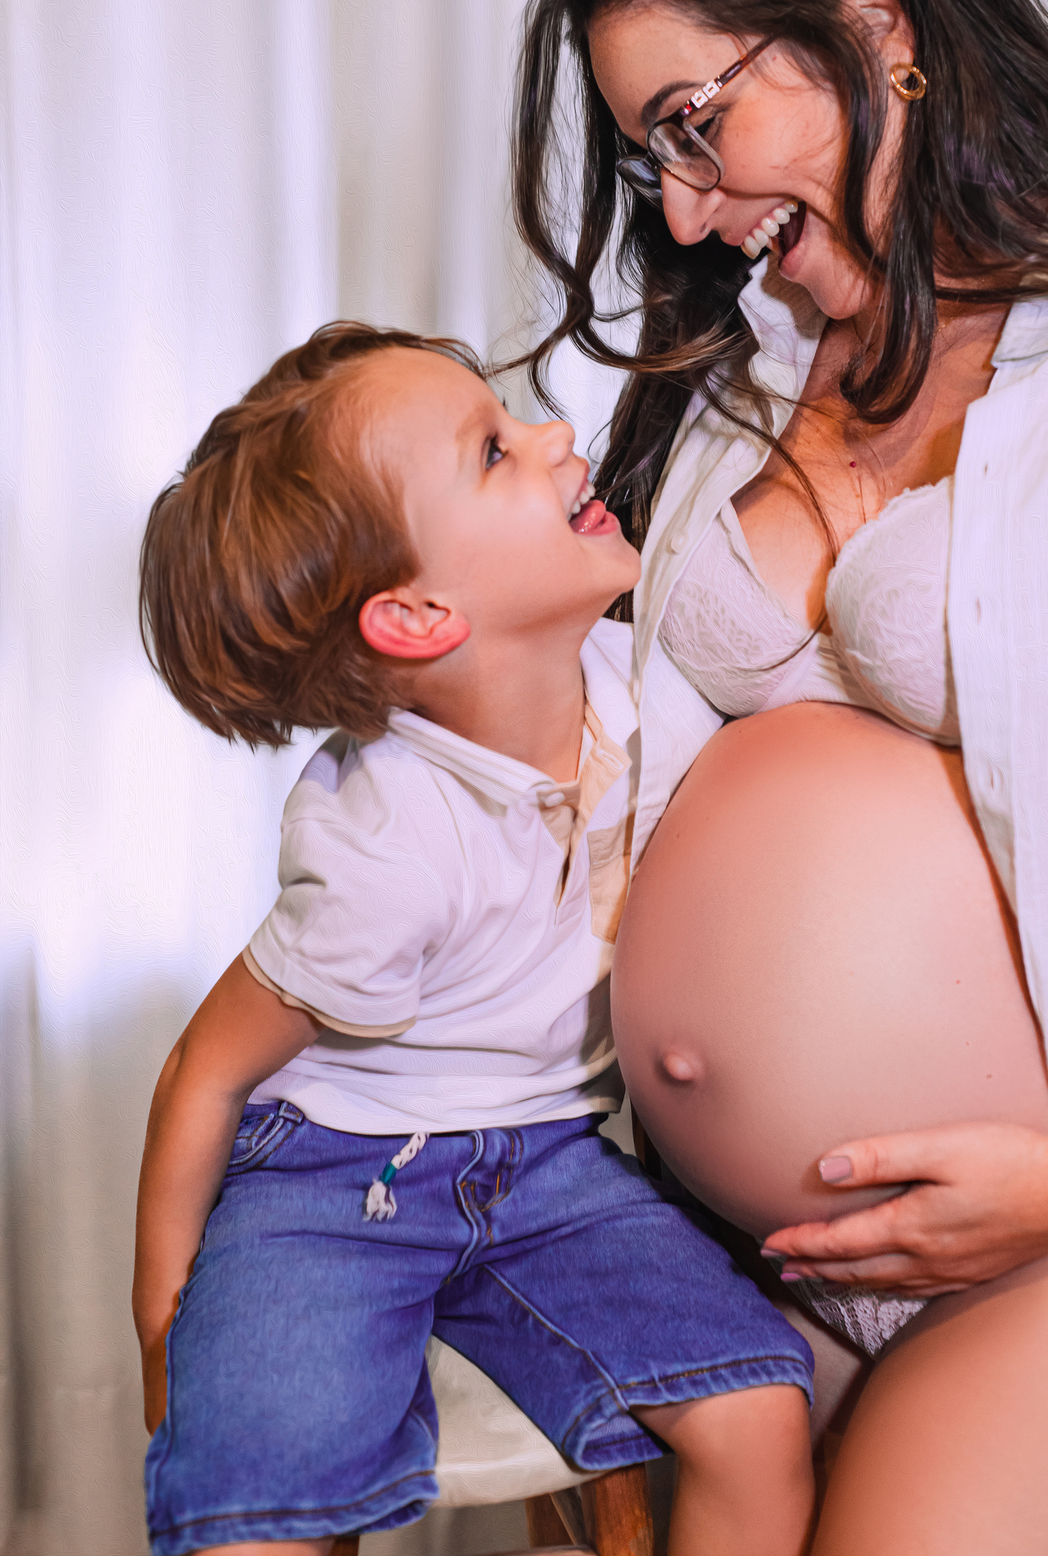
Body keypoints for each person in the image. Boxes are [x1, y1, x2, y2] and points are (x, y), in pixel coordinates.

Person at [511, 0, 1048, 1554]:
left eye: (695, 122)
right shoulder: (722, 391)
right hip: (716, 1253)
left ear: (876, 27)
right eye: (648, 154)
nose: (679, 199)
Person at [132, 320, 818, 1556]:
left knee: (760, 1410)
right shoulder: (382, 844)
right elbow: (207, 1068)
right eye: (496, 452)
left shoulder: (642, 686)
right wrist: (164, 1321)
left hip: (548, 1165)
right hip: (335, 1179)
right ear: (417, 614)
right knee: (259, 1506)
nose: (559, 438)